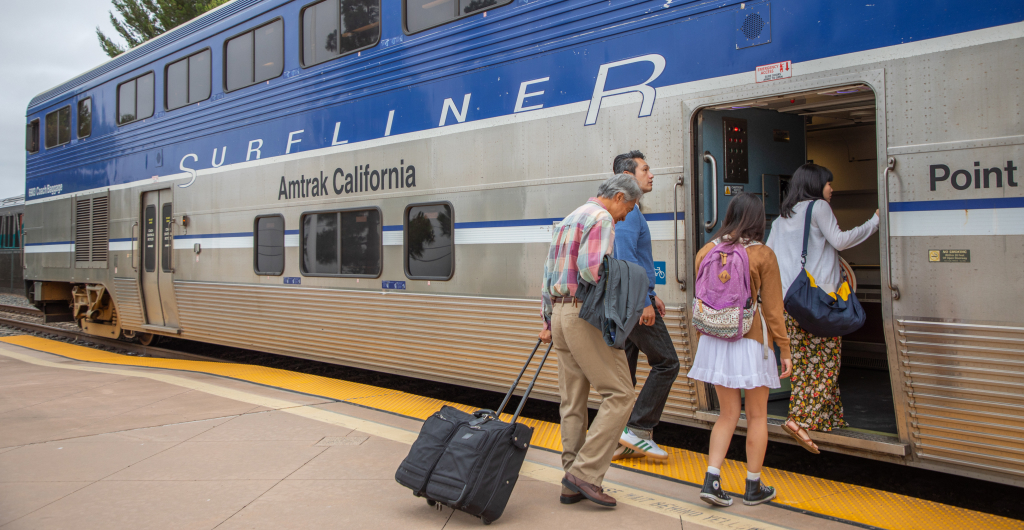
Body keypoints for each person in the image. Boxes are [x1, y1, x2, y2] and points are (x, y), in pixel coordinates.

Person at [539, 174, 643, 508]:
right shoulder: (601, 219)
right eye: (628, 207)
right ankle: (584, 473)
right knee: (621, 394)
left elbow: (547, 275)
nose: (626, 215)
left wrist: (547, 320)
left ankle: (572, 481)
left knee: (572, 401)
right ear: (616, 196)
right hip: (584, 315)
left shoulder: (569, 218)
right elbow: (590, 269)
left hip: (559, 314)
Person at [687, 193, 792, 507]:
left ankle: (712, 479)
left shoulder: (707, 250)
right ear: (759, 220)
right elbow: (773, 309)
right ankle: (753, 486)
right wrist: (784, 349)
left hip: (714, 339)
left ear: (731, 216)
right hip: (749, 339)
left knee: (727, 414)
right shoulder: (763, 254)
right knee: (757, 415)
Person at [766, 163, 879, 453]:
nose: (832, 188)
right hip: (819, 301)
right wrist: (874, 221)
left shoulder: (782, 218)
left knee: (804, 364)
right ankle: (799, 420)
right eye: (829, 183)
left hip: (791, 302)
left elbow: (769, 257)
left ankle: (827, 420)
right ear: (816, 184)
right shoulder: (818, 207)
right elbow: (840, 240)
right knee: (828, 363)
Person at [609, 151, 679, 461]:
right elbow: (626, 262)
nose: (651, 175)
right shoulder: (629, 213)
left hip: (633, 301)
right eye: (645, 170)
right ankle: (637, 430)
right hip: (632, 304)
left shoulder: (632, 210)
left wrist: (652, 294)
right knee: (667, 363)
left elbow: (634, 260)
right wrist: (643, 302)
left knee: (625, 375)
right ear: (628, 176)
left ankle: (617, 438)